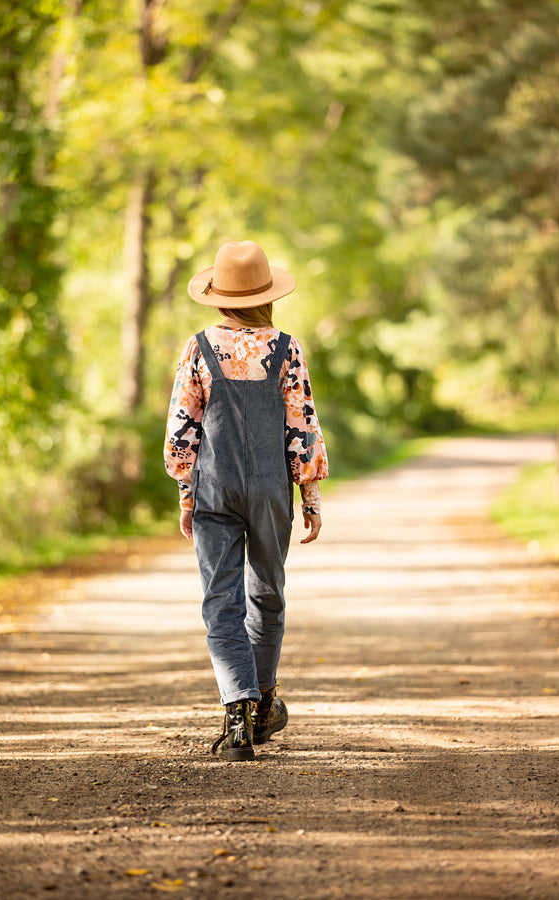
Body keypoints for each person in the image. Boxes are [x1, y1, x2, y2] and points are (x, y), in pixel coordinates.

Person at [164, 240, 329, 761]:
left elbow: (181, 430)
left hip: (214, 486)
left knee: (221, 599)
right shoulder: (287, 348)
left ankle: (236, 715)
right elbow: (301, 423)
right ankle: (262, 705)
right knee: (267, 593)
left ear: (219, 298)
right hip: (269, 489)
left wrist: (187, 493)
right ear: (267, 296)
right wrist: (311, 492)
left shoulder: (199, 348)